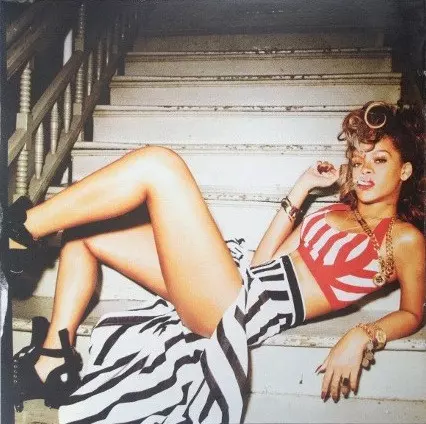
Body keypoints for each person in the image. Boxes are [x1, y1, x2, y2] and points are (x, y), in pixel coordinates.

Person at [6, 101, 425, 423]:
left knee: (160, 165)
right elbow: (264, 260)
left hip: (241, 310)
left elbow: (412, 313)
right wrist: (303, 187)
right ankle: (52, 362)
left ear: (405, 171)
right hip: (241, 278)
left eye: (379, 160)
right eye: (358, 159)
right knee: (85, 234)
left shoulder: (404, 238)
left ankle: (17, 234)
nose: (363, 170)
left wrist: (363, 334)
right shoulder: (335, 211)